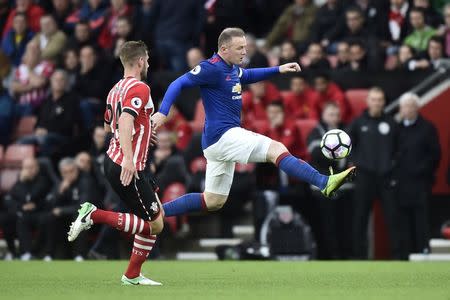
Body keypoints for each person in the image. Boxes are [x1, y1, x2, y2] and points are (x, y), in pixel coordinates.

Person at [152, 28, 355, 221]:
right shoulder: (210, 68)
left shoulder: (232, 69)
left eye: (245, 47)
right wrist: (163, 112)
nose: (244, 51)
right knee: (276, 149)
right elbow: (176, 83)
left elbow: (248, 75)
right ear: (224, 49)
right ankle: (324, 182)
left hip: (216, 143)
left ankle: (159, 212)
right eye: (240, 48)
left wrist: (279, 69)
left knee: (213, 200)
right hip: (223, 136)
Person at [67, 41, 164, 285]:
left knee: (156, 216)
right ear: (140, 61)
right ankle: (94, 215)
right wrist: (130, 159)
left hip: (115, 159)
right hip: (128, 164)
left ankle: (132, 274)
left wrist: (145, 129)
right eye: (148, 59)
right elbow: (124, 121)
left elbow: (107, 127)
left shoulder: (115, 90)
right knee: (155, 225)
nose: (149, 63)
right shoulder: (140, 87)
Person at [347, 87, 401, 259]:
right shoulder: (358, 122)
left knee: (393, 218)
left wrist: (392, 166)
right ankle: (358, 257)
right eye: (373, 99)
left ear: (384, 102)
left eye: (379, 99)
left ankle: (398, 257)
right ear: (368, 101)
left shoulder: (392, 123)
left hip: (386, 178)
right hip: (364, 178)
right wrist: (356, 162)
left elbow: (399, 149)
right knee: (360, 219)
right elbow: (347, 146)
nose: (376, 102)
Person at [396, 93, 440, 259]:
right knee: (402, 220)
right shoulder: (397, 128)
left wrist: (422, 171)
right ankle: (405, 253)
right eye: (404, 106)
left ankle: (423, 251)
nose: (407, 109)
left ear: (417, 107)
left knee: (422, 219)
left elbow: (435, 155)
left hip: (421, 183)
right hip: (401, 184)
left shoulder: (428, 128)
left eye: (410, 106)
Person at [12, 157, 52, 260]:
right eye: (26, 168)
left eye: (31, 167)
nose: (28, 170)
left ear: (37, 168)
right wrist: (21, 182)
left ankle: (44, 253)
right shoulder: (20, 180)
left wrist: (22, 186)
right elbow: (13, 195)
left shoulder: (43, 179)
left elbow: (31, 196)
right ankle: (26, 253)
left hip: (41, 211)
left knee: (46, 220)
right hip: (26, 213)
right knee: (20, 220)